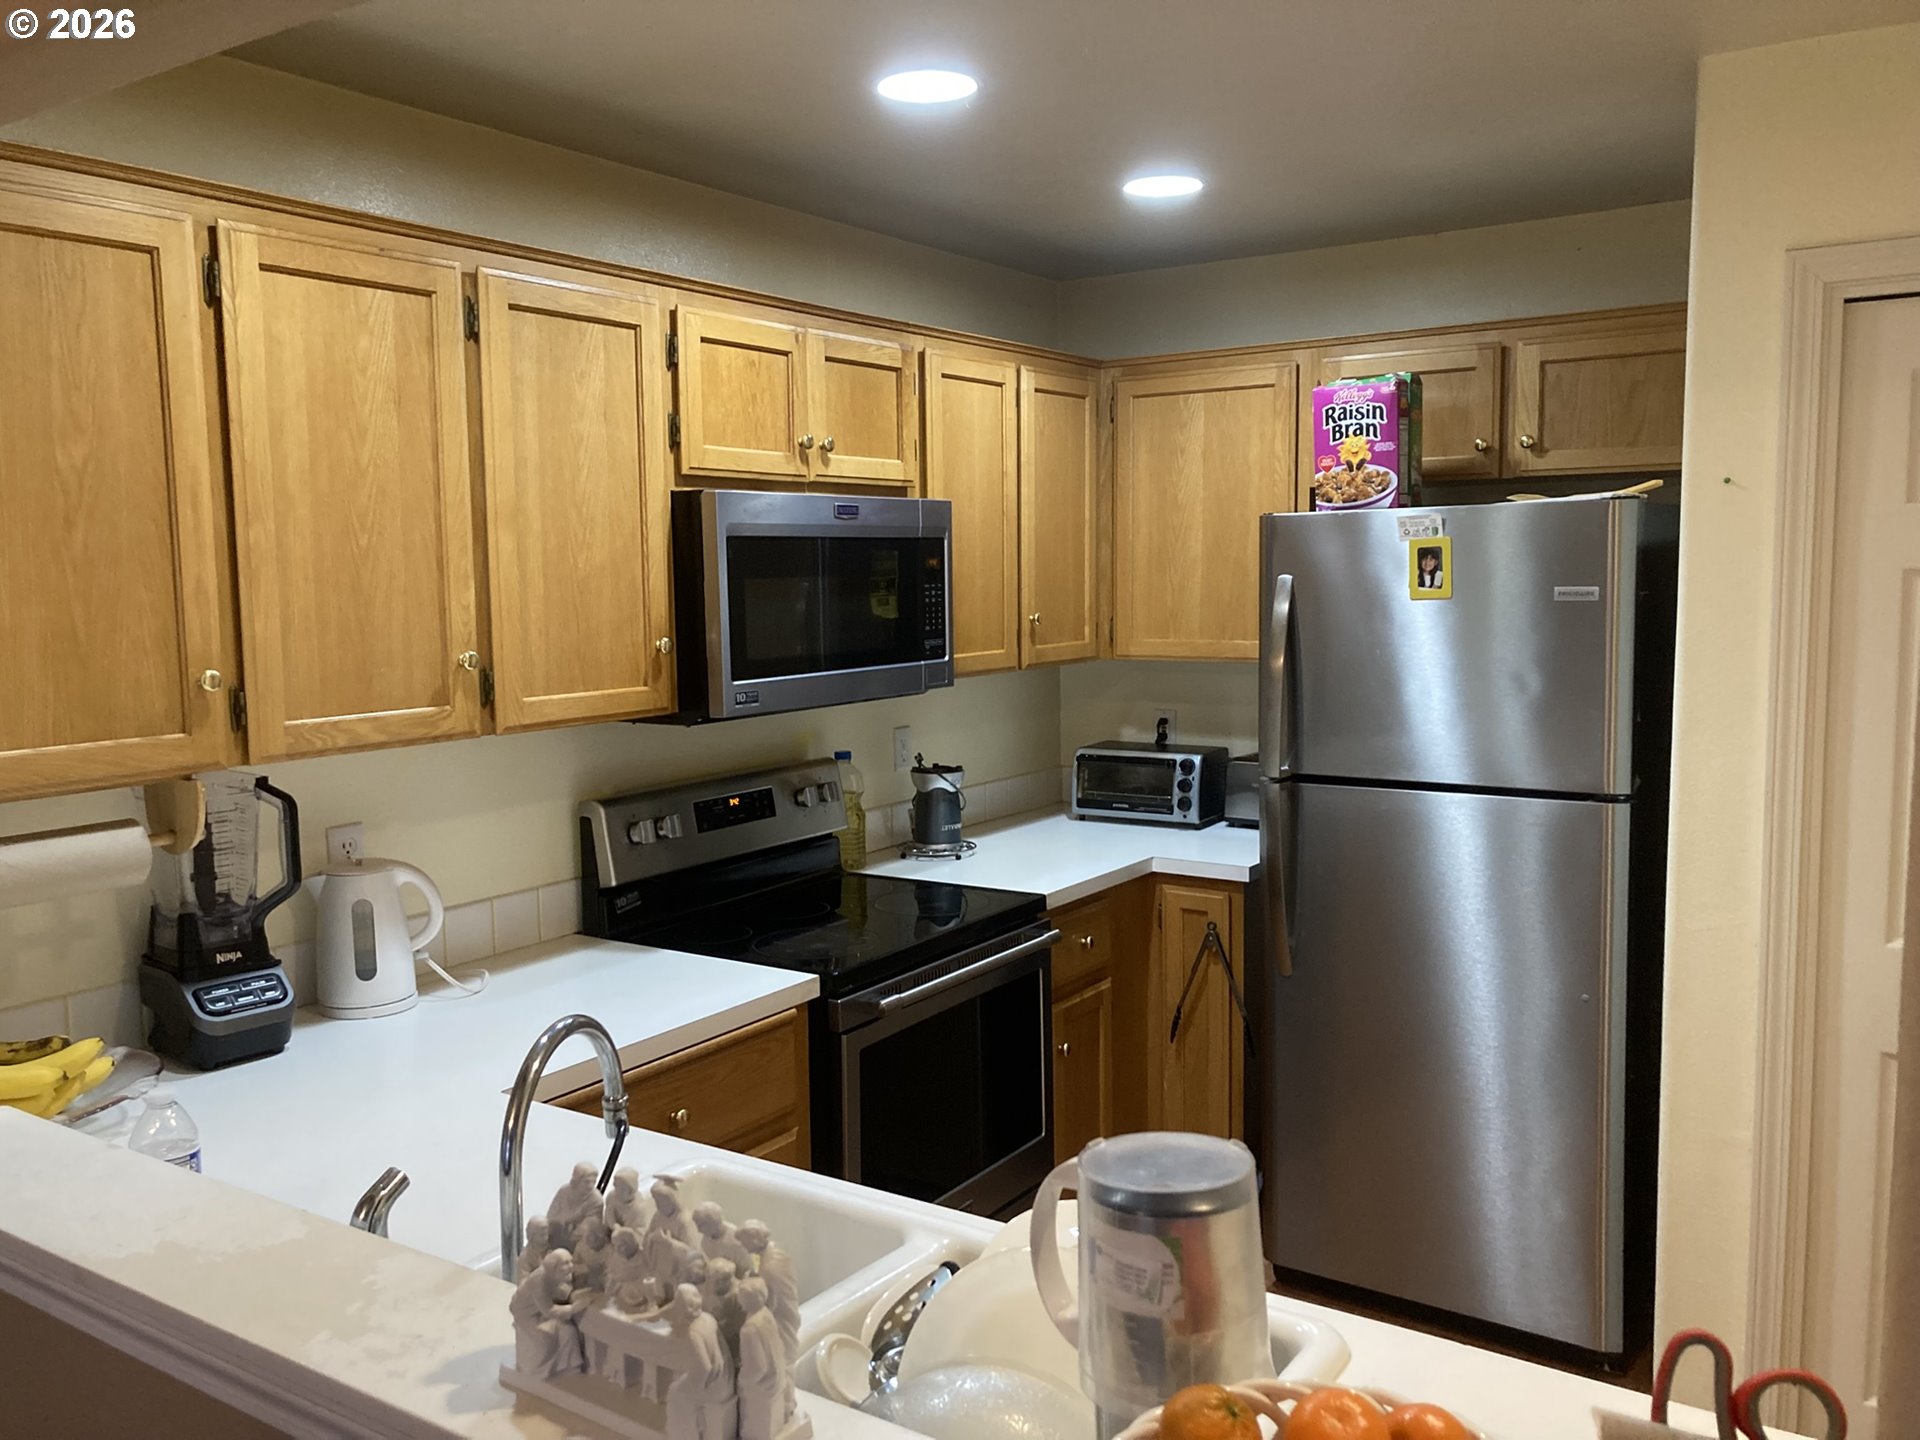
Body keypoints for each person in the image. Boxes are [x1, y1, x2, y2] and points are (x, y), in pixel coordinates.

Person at [663, 1283, 732, 1440]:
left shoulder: (694, 1333)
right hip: (726, 1376)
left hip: (715, 1385)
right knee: (680, 1381)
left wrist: (693, 1388)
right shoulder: (708, 1318)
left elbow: (705, 1368)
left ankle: (686, 1435)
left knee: (675, 1393)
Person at [508, 1248, 586, 1380]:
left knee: (569, 1331)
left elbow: (561, 1290)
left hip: (540, 1310)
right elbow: (549, 1311)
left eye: (570, 1262)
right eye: (565, 1264)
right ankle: (543, 1371)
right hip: (526, 1314)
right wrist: (574, 1308)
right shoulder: (539, 1281)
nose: (570, 1266)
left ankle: (569, 1368)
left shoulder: (554, 1274)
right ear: (554, 1267)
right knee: (546, 1339)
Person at [735, 1220, 800, 1366]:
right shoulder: (773, 1253)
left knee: (784, 1350)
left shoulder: (771, 1265)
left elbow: (771, 1300)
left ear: (755, 1240)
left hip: (781, 1314)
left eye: (744, 1242)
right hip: (783, 1309)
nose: (742, 1246)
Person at [735, 1279, 792, 1440]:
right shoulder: (766, 1314)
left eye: (740, 1297)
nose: (738, 1300)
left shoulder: (749, 1330)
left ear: (747, 1299)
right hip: (777, 1374)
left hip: (765, 1383)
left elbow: (759, 1367)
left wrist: (742, 1380)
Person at [545, 1161, 601, 1249]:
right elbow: (551, 1215)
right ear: (576, 1181)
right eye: (586, 1182)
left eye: (594, 1182)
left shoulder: (596, 1199)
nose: (590, 1186)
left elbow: (592, 1224)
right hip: (558, 1232)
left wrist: (576, 1232)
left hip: (577, 1240)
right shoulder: (564, 1191)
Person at [692, 1200, 751, 1274]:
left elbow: (746, 1268)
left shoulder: (737, 1240)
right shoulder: (706, 1241)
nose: (698, 1230)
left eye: (700, 1226)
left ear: (712, 1223)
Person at [604, 1166, 649, 1235]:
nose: (616, 1191)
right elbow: (608, 1214)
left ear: (630, 1191)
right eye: (615, 1186)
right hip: (612, 1230)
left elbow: (633, 1231)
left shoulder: (637, 1208)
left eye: (621, 1188)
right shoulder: (611, 1196)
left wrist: (620, 1231)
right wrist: (614, 1226)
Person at [514, 1215, 552, 1283]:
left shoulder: (553, 1248)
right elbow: (523, 1283)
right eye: (541, 1235)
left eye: (546, 1233)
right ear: (531, 1235)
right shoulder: (525, 1257)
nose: (546, 1237)